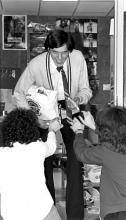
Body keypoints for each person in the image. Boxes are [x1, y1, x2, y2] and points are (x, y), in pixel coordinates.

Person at [13, 28, 92, 220]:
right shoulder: (36, 64)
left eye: (64, 53)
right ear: (48, 50)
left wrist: (79, 98)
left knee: (76, 160)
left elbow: (86, 89)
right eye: (55, 53)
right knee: (42, 162)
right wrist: (34, 118)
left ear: (70, 50)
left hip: (70, 107)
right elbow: (18, 93)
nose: (60, 58)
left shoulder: (78, 58)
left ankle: (75, 217)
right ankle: (46, 213)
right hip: (43, 110)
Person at [70, 106, 126, 220]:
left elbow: (82, 154)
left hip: (121, 213)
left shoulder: (106, 150)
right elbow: (114, 137)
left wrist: (78, 131)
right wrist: (93, 126)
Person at [0, 108, 62, 220]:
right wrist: (52, 130)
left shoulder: (2, 153)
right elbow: (51, 147)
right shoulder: (37, 148)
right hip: (43, 211)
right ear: (32, 129)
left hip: (11, 214)